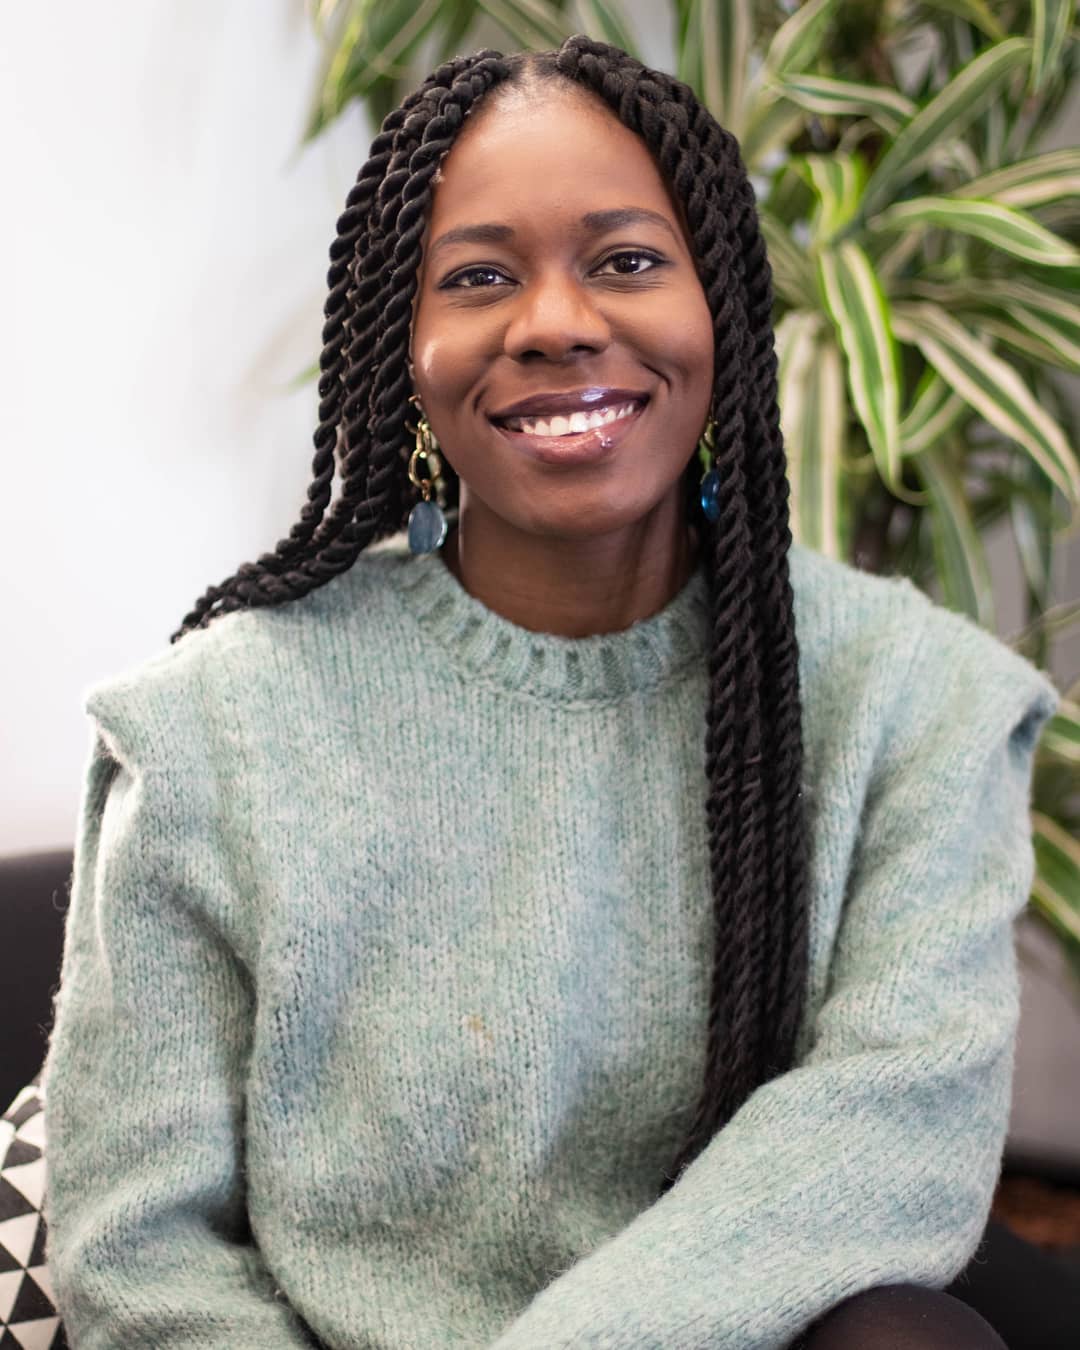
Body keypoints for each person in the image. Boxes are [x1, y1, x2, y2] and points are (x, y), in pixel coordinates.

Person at [40, 35, 1058, 1350]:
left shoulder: (917, 705)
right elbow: (140, 1251)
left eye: (627, 260)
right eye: (479, 276)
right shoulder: (208, 733)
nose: (558, 321)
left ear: (721, 311)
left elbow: (889, 1135)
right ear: (402, 347)